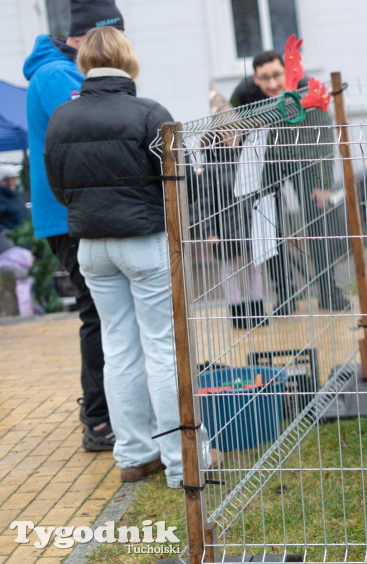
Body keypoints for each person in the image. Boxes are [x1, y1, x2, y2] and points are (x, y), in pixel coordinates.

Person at [44, 26, 213, 487]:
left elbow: (58, 187)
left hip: (92, 246)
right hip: (143, 238)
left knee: (117, 348)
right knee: (161, 346)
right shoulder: (149, 113)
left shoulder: (61, 118)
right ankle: (181, 462)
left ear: (85, 63)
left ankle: (133, 455)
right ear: (126, 59)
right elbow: (176, 181)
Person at [23, 0, 119, 452]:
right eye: (114, 37)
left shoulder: (63, 70)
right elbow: (96, 124)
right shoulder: (57, 75)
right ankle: (99, 421)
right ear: (92, 37)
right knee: (98, 313)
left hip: (75, 209)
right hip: (68, 213)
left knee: (100, 311)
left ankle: (100, 409)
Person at [230, 51, 349, 316]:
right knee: (267, 224)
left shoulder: (307, 89)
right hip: (267, 161)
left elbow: (325, 140)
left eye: (276, 76)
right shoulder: (243, 93)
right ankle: (284, 294)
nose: (272, 84)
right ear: (255, 78)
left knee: (317, 221)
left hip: (303, 157)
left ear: (288, 71)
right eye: (264, 78)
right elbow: (232, 122)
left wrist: (324, 183)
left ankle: (329, 292)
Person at [190, 103, 268, 331]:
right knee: (230, 268)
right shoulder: (210, 164)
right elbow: (203, 202)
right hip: (225, 227)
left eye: (237, 131)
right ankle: (237, 314)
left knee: (255, 266)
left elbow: (258, 189)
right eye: (228, 132)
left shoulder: (247, 156)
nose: (233, 137)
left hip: (250, 222)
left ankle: (257, 311)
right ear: (218, 133)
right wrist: (208, 231)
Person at [0, 163, 27, 232]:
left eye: (13, 179)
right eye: (6, 180)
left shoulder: (18, 193)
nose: (11, 182)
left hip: (22, 232)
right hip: (7, 237)